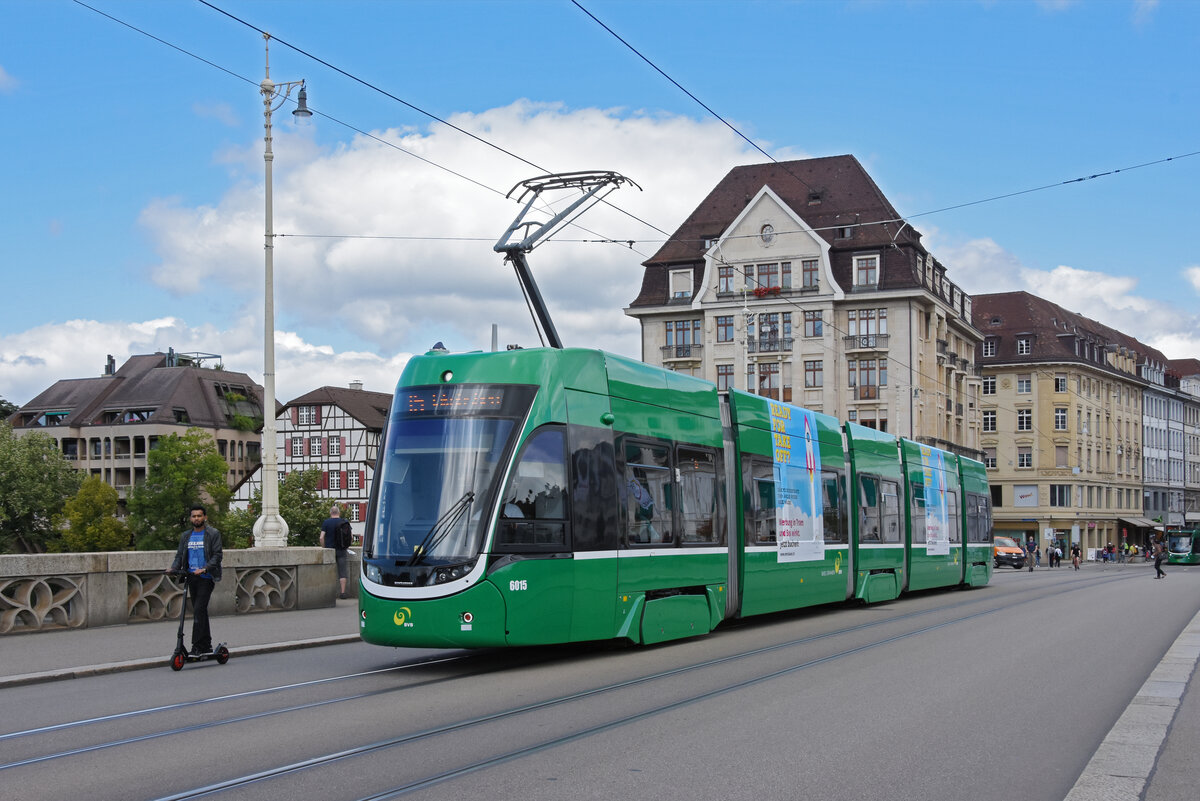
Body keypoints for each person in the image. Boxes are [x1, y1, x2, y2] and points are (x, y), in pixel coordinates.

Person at [169, 504, 223, 655]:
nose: (197, 518)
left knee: (199, 610)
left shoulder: (213, 534)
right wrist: (173, 568)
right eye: (194, 516)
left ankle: (197, 646)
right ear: (190, 518)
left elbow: (217, 555)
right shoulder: (186, 536)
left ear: (205, 517)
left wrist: (205, 568)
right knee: (200, 612)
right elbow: (179, 555)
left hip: (206, 577)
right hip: (191, 577)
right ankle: (206, 644)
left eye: (199, 516)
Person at [320, 505, 351, 599]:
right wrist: (346, 546)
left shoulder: (326, 522)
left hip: (330, 550)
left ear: (330, 513)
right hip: (341, 550)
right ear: (339, 513)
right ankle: (342, 593)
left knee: (328, 570)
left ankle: (326, 593)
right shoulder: (345, 522)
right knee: (342, 571)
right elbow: (351, 537)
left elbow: (321, 537)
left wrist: (324, 547)